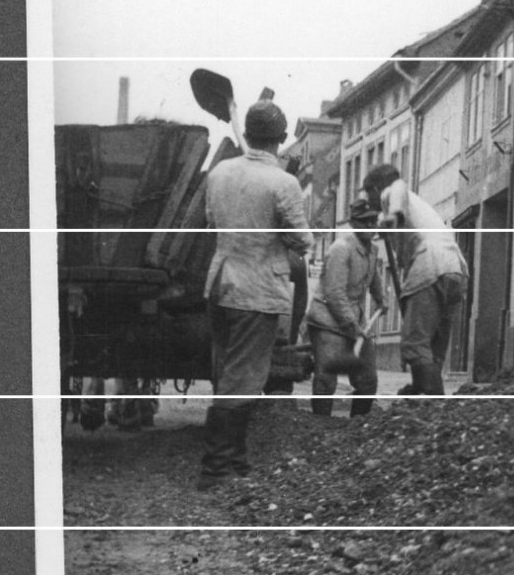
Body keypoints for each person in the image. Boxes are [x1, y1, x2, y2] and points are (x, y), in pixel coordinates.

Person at [198, 97, 311, 490]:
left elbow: (212, 221)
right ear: (280, 140)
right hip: (257, 291)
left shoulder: (220, 173)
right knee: (244, 377)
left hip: (220, 283)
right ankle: (215, 469)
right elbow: (301, 240)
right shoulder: (283, 182)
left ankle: (237, 460)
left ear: (246, 134)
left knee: (229, 372)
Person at [361, 163, 469, 397]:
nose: (368, 201)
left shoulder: (393, 192)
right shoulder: (419, 206)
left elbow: (397, 189)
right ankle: (424, 391)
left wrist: (393, 215)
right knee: (433, 349)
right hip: (455, 269)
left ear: (377, 188)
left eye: (368, 194)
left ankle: (430, 399)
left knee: (413, 343)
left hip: (431, 265)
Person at [307, 196, 387, 419]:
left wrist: (381, 298)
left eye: (373, 221)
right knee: (326, 379)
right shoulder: (341, 249)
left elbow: (373, 277)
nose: (370, 227)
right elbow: (334, 295)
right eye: (364, 222)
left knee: (368, 381)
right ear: (353, 224)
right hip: (328, 321)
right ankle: (320, 427)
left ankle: (355, 428)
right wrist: (352, 327)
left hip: (355, 322)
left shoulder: (373, 250)